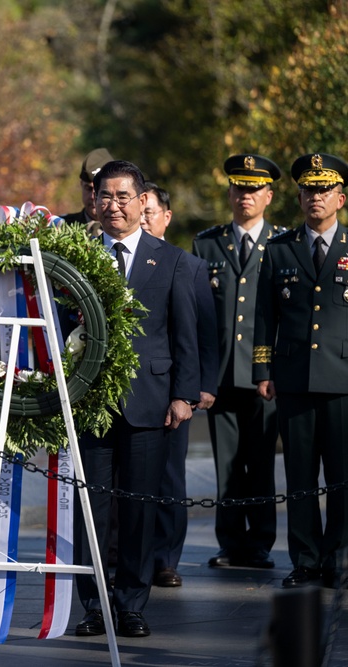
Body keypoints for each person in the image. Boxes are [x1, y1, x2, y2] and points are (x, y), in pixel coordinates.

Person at [73, 160, 200, 638]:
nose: (113, 206)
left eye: (123, 196)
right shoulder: (77, 253)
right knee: (94, 508)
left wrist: (184, 394)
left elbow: (183, 331)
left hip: (149, 399)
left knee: (141, 508)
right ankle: (93, 603)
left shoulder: (168, 259)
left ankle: (130, 603)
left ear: (143, 201)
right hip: (89, 402)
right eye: (104, 196)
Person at [254, 152, 348, 588]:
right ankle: (305, 560)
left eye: (324, 190)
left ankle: (340, 559)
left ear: (340, 198)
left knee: (343, 475)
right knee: (299, 475)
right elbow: (263, 314)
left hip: (343, 381)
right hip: (293, 378)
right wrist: (263, 370)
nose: (316, 198)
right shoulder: (279, 249)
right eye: (309, 190)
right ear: (298, 197)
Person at [192, 154, 284, 571]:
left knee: (261, 462)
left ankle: (261, 543)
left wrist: (272, 370)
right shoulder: (207, 244)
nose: (244, 196)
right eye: (238, 188)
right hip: (221, 374)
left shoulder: (283, 245)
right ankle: (230, 543)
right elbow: (198, 315)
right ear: (230, 192)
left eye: (253, 189)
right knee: (226, 463)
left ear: (268, 195)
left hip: (265, 375)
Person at [141, 183, 218, 588]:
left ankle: (166, 558)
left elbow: (204, 330)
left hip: (175, 388)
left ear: (166, 217)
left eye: (149, 211)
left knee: (170, 476)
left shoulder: (188, 265)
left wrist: (201, 386)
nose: (142, 217)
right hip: (136, 387)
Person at [61, 148, 114, 237]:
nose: (93, 197)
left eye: (99, 191)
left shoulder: (131, 229)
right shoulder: (62, 228)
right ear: (81, 185)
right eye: (88, 188)